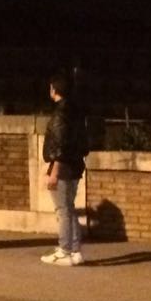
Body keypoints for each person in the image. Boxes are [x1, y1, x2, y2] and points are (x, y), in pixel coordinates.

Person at [41, 71, 89, 265]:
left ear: (54, 89)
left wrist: (54, 171)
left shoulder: (60, 113)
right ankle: (75, 250)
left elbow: (60, 145)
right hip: (76, 165)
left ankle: (64, 250)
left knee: (63, 210)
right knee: (69, 208)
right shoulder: (76, 111)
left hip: (64, 167)